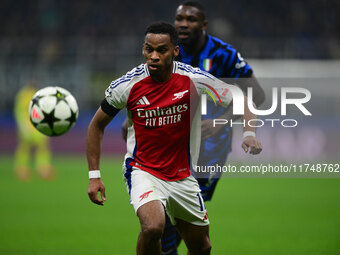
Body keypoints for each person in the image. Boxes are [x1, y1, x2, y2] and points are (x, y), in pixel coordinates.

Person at [87, 22, 262, 255]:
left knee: (202, 247)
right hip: (143, 170)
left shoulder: (193, 78)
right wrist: (94, 176)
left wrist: (249, 134)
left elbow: (241, 100)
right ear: (143, 49)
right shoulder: (127, 85)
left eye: (162, 50)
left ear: (175, 51)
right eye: (149, 49)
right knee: (153, 227)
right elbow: (97, 124)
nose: (154, 56)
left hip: (182, 175)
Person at [156, 2, 266, 254]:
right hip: (173, 144)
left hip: (210, 150)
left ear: (203, 25)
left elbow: (256, 95)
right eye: (179, 18)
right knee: (166, 214)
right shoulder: (169, 51)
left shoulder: (224, 55)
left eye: (190, 19)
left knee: (180, 214)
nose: (183, 23)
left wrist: (222, 121)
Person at [14, 84, 55, 181]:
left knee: (27, 147)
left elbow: (19, 111)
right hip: (32, 125)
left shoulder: (23, 95)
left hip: (30, 125)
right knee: (38, 146)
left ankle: (25, 169)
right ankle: (40, 169)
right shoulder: (29, 95)